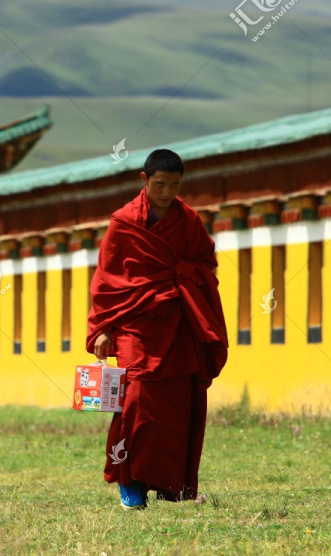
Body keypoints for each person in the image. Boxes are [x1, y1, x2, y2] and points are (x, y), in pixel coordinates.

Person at [87, 149, 228, 510]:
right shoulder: (124, 224)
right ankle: (129, 481)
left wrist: (185, 276)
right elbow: (107, 279)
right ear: (144, 180)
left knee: (176, 406)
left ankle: (169, 483)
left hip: (178, 322)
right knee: (135, 400)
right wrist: (103, 327)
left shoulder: (189, 220)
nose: (166, 193)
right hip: (136, 324)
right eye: (160, 185)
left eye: (175, 185)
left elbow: (206, 263)